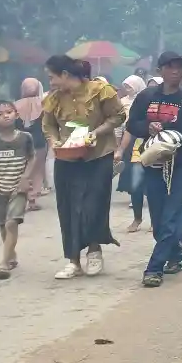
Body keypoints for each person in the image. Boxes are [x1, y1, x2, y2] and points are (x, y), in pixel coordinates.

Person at [126, 52, 182, 288]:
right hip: (153, 164)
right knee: (158, 217)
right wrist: (149, 127)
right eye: (170, 67)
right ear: (160, 71)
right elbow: (132, 124)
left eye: (179, 67)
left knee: (171, 214)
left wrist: (179, 142)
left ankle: (154, 268)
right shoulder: (146, 97)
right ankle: (175, 255)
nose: (175, 71)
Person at [41, 55, 125, 280]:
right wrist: (54, 142)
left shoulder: (100, 90)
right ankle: (73, 260)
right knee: (68, 208)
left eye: (52, 77)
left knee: (93, 204)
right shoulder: (54, 98)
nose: (50, 82)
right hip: (66, 157)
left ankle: (94, 250)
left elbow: (118, 116)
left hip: (98, 155)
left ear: (65, 75)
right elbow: (48, 125)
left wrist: (95, 133)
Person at [0, 100, 35, 280]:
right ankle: (11, 256)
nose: (5, 115)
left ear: (16, 114)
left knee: (11, 223)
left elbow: (31, 158)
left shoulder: (25, 138)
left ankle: (4, 264)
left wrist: (25, 178)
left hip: (17, 189)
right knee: (3, 225)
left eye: (9, 112)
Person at [115, 75, 149, 233]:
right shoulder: (133, 111)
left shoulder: (156, 109)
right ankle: (137, 218)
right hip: (136, 149)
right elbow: (128, 130)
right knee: (136, 186)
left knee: (154, 188)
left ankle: (156, 220)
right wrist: (120, 149)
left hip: (156, 150)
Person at [13, 78, 50, 210]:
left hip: (20, 142)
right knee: (38, 170)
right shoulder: (44, 104)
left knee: (22, 170)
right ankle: (32, 200)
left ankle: (20, 199)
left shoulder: (15, 106)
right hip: (39, 142)